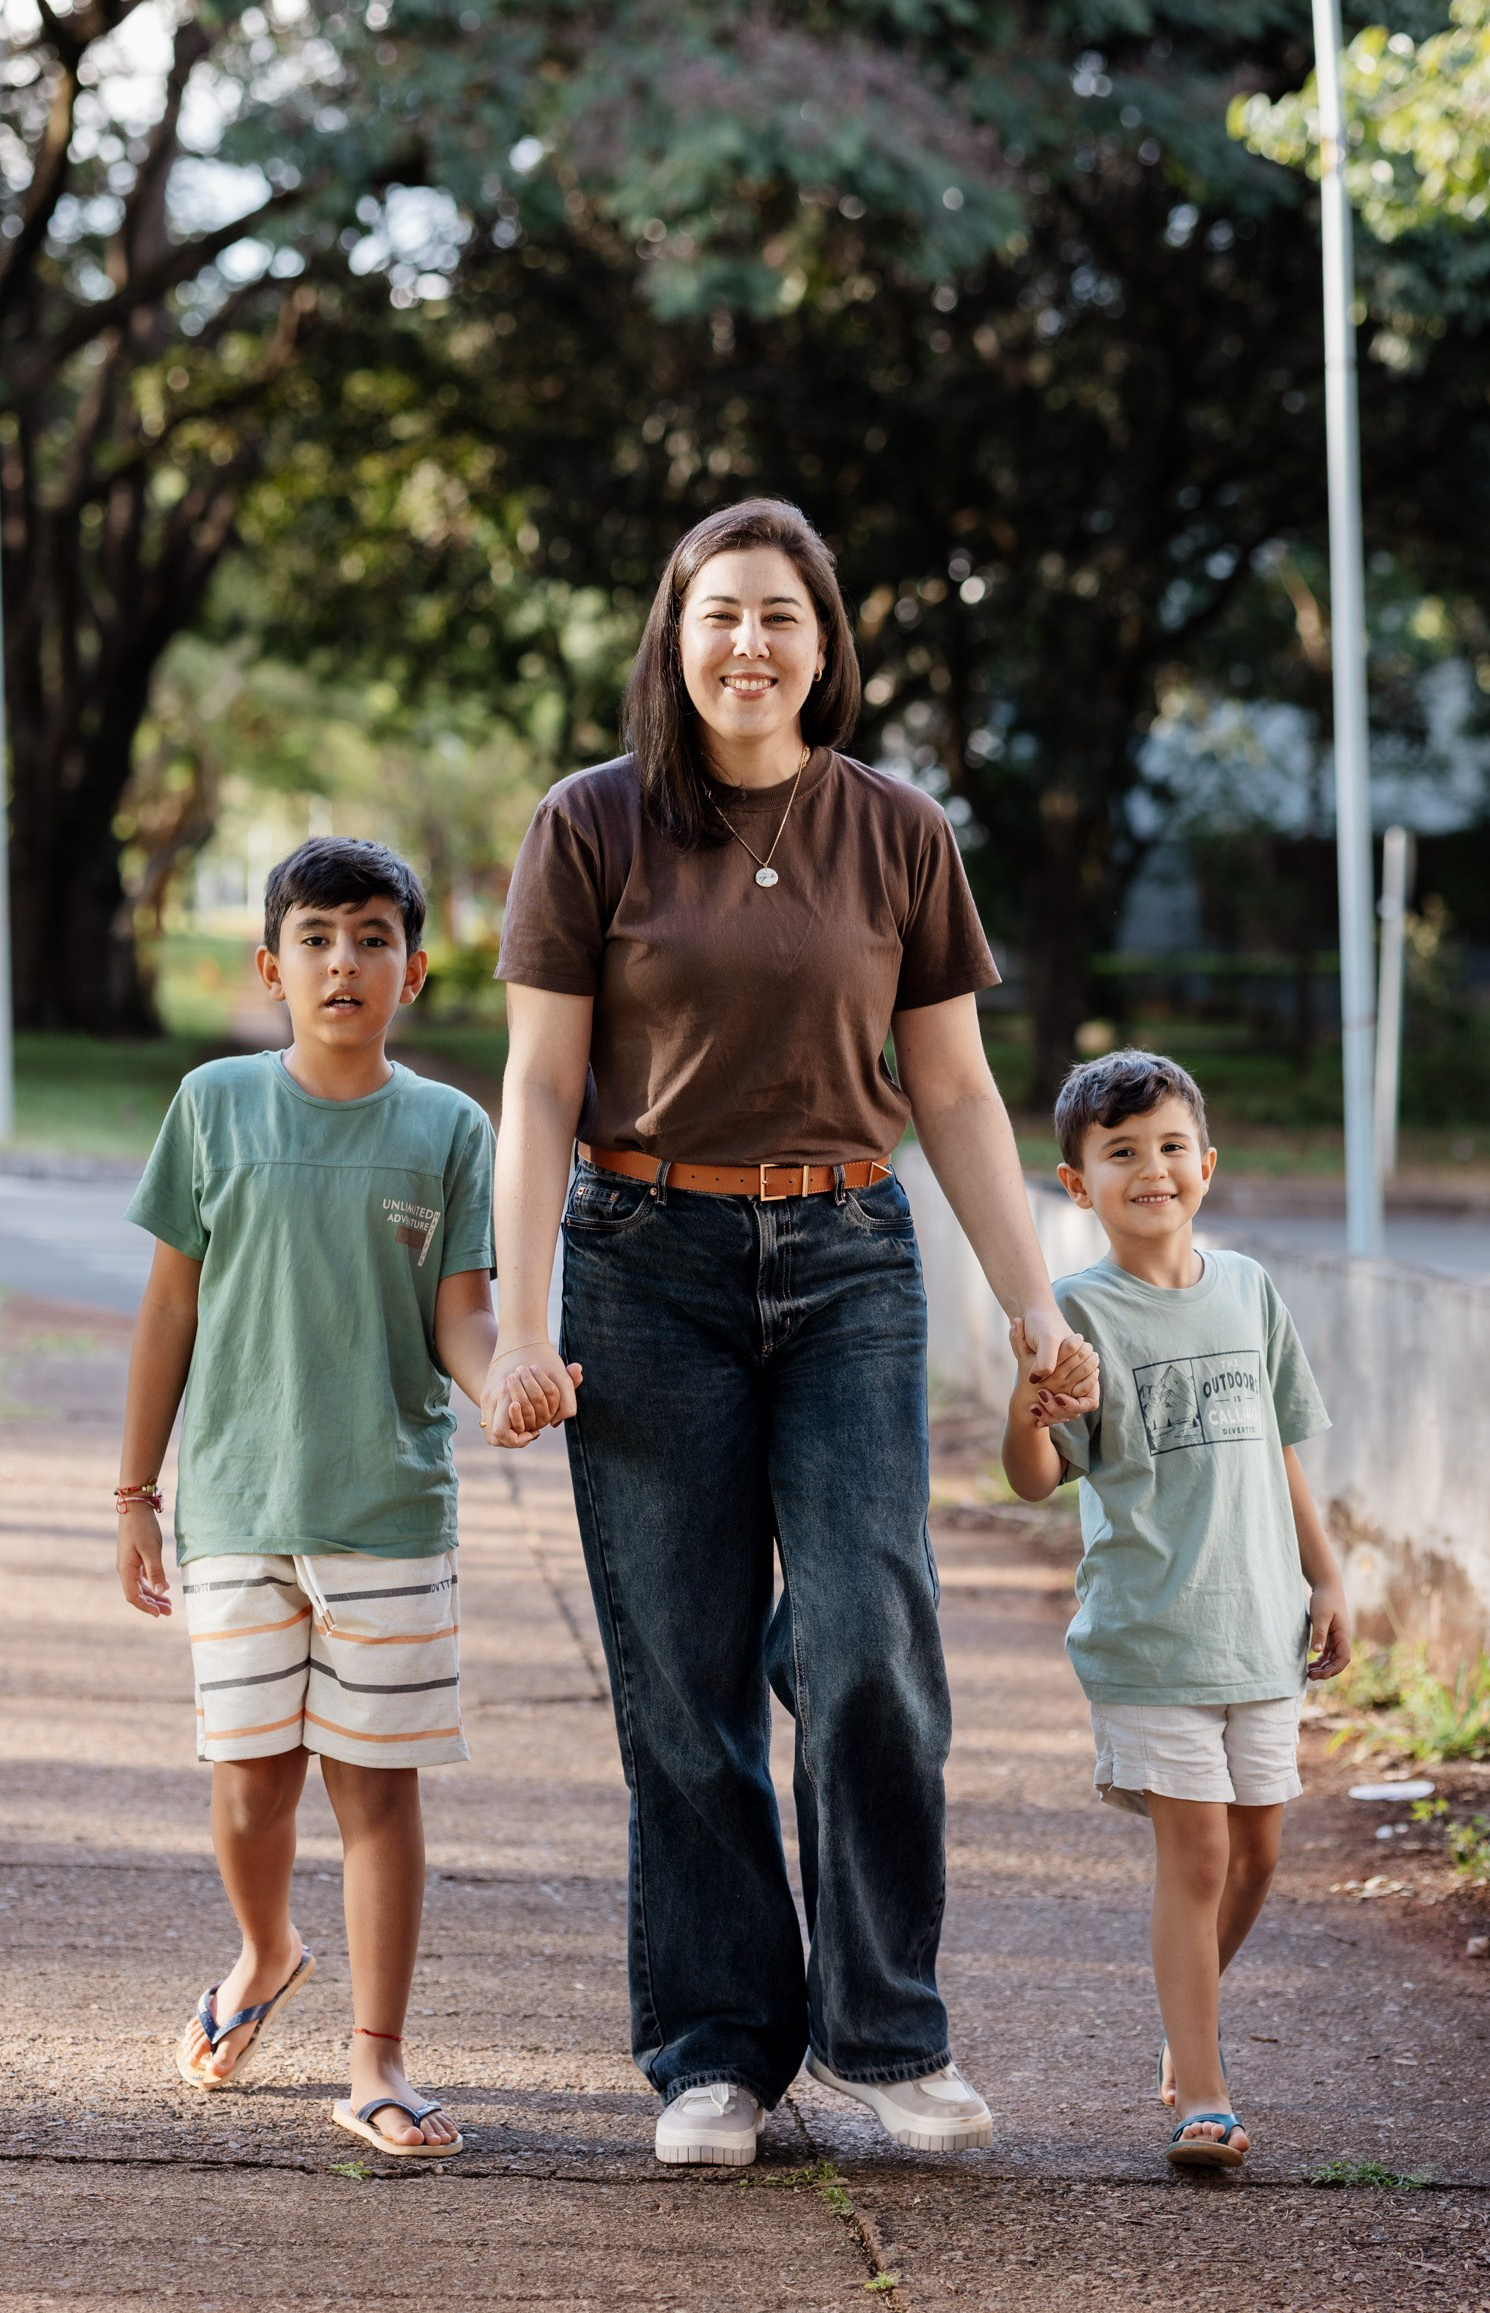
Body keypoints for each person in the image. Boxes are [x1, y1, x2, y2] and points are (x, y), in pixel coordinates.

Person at [479, 496, 1100, 2167]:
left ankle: (884, 2037)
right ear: (671, 641)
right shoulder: (590, 822)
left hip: (846, 1263)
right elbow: (538, 1085)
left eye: (778, 617)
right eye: (717, 614)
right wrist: (518, 1316)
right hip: (640, 1263)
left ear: (824, 648)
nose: (746, 644)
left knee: (865, 1643)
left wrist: (1034, 1306)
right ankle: (713, 2052)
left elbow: (954, 1091)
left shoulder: (894, 831)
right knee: (680, 1678)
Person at [115, 837, 554, 2157]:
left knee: (376, 1790)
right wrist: (135, 1490)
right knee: (251, 1783)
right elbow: (168, 1307)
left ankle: (377, 2058)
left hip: (389, 1517)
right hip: (239, 1507)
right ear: (270, 966)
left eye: (371, 937)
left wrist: (505, 1390)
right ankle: (262, 1954)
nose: (342, 962)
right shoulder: (213, 1106)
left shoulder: (447, 1130)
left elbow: (460, 1322)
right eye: (315, 938)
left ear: (413, 971)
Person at [1001, 1047, 1351, 2172]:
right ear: (1076, 1181)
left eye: (1168, 1148)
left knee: (1257, 1854)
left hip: (1260, 1624)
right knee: (1195, 1855)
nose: (1150, 1169)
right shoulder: (1072, 1312)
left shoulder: (1249, 1287)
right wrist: (1026, 1402)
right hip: (1152, 1629)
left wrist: (1329, 1573)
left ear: (1206, 1163)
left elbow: (1284, 1448)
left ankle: (1180, 2016)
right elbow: (1035, 1476)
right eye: (1120, 1153)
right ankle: (1203, 2091)